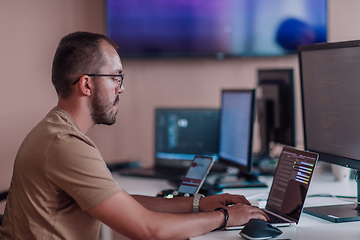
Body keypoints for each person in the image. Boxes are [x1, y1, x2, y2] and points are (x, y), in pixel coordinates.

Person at [0, 31, 268, 240]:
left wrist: (200, 203)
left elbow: (121, 204)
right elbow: (147, 229)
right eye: (116, 77)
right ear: (86, 84)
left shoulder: (57, 131)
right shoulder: (65, 145)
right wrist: (225, 217)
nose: (122, 88)